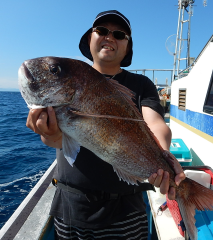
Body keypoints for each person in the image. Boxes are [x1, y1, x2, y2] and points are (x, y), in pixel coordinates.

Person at [26, 10, 185, 240]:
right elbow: (56, 140)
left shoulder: (141, 85)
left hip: (125, 212)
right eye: (101, 31)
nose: (109, 37)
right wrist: (46, 133)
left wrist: (163, 161)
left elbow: (157, 124)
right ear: (89, 38)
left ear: (127, 47)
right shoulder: (70, 79)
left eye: (119, 34)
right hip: (71, 209)